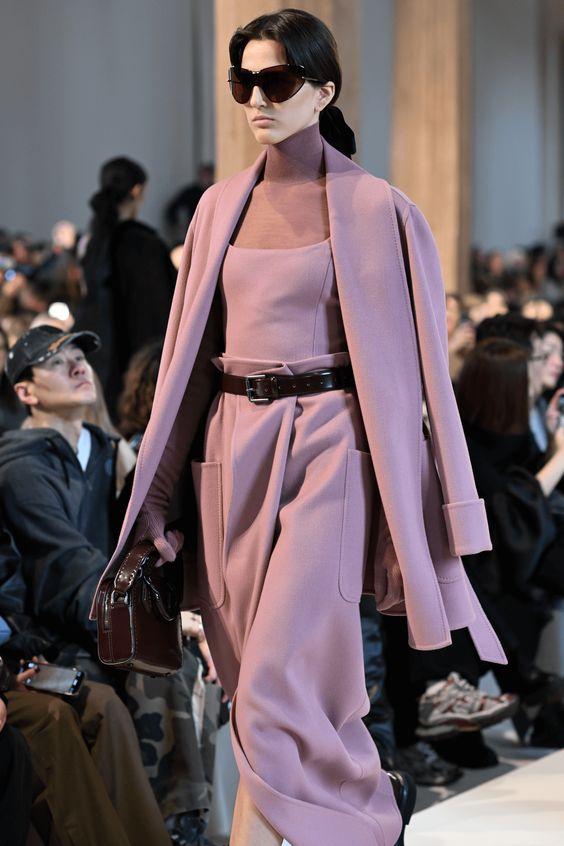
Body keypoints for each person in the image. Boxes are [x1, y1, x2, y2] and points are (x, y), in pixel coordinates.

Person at [91, 9, 506, 846]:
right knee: (257, 685)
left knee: (276, 684)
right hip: (231, 453)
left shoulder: (381, 209)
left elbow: (425, 373)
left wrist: (447, 506)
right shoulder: (217, 209)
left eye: (275, 81)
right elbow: (188, 366)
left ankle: (364, 816)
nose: (255, 98)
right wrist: (157, 500)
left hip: (332, 451)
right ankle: (350, 816)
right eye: (243, 81)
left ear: (323, 91)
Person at [78, 156, 177, 413]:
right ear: (137, 190)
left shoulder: (95, 244)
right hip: (140, 375)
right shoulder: (145, 244)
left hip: (100, 369)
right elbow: (165, 311)